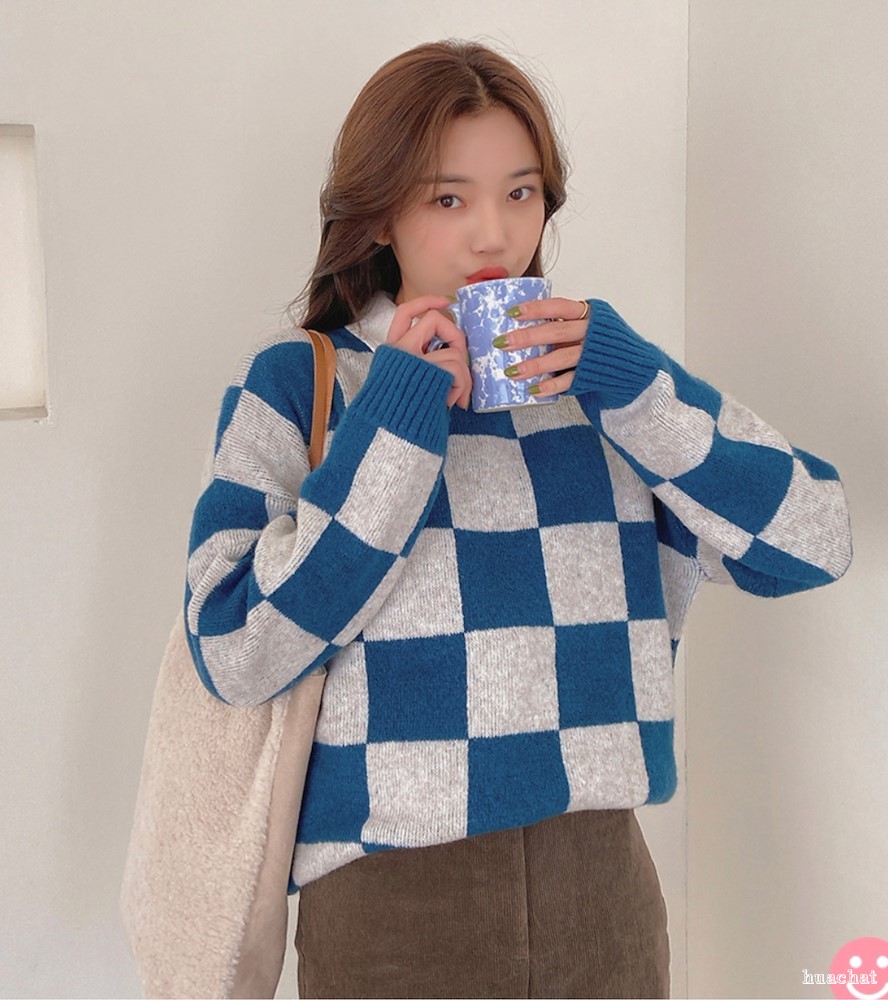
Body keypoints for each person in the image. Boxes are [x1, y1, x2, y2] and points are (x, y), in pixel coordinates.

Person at [182, 39, 852, 1000]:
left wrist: (635, 388)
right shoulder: (301, 383)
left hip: (605, 897)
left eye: (521, 192)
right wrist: (399, 417)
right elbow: (235, 651)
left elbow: (814, 544)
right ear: (380, 214)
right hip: (391, 911)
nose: (493, 235)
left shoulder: (607, 387)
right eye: (448, 199)